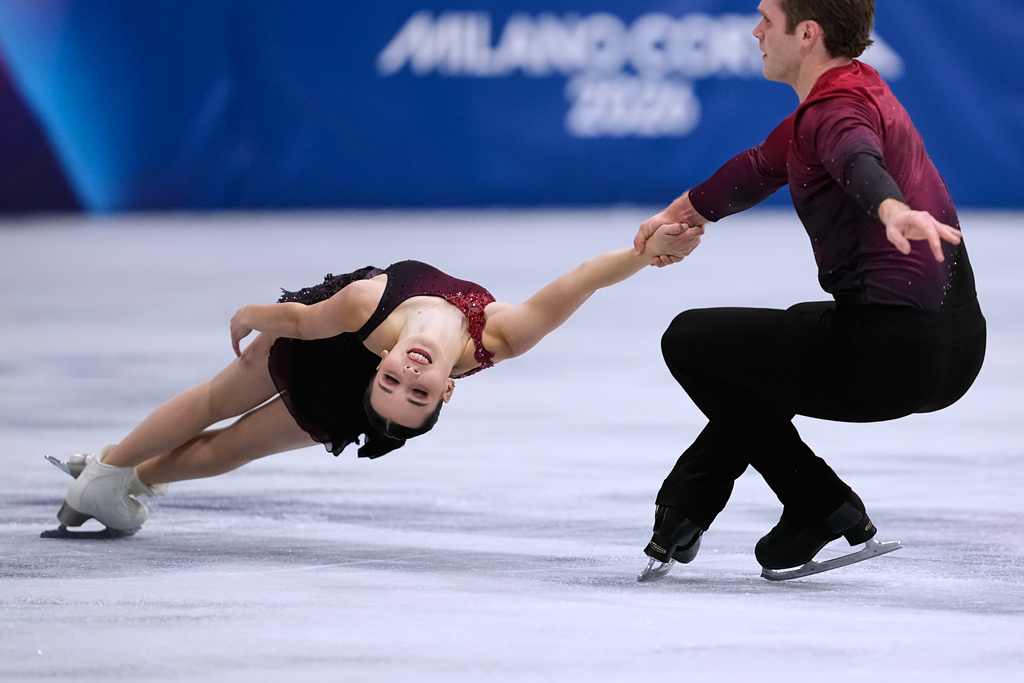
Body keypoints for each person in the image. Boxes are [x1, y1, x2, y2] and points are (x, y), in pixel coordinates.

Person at [632, 0, 986, 578]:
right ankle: (688, 506)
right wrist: (678, 217)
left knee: (690, 340)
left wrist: (890, 206)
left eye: (768, 20)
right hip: (959, 348)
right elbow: (755, 168)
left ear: (808, 34)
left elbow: (857, 159)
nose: (757, 31)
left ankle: (818, 504)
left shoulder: (835, 112)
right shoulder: (852, 90)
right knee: (770, 358)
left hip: (889, 355)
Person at [51, 223, 704, 535]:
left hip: (338, 388)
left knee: (232, 443)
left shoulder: (375, 319)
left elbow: (305, 325)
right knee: (215, 399)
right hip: (321, 333)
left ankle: (122, 478)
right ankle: (109, 472)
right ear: (448, 385)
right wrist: (647, 254)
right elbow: (585, 276)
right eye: (415, 387)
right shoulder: (500, 335)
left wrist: (261, 316)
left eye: (397, 385)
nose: (408, 375)